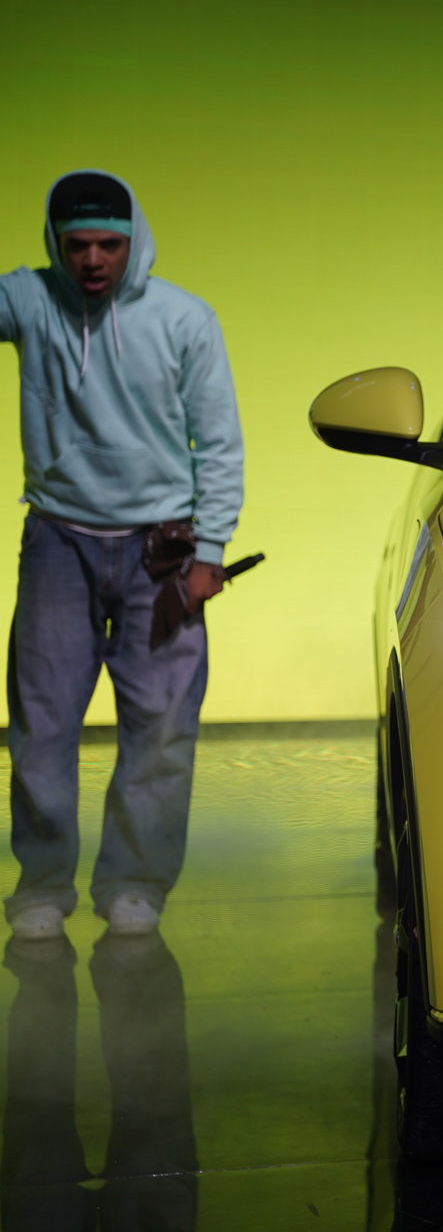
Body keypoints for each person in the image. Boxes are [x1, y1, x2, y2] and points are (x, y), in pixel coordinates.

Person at [0, 171, 244, 940]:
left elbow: (220, 441)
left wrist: (211, 550)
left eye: (109, 243)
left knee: (162, 725)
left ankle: (135, 881)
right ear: (55, 244)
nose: (94, 260)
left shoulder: (184, 318)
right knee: (40, 725)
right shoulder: (30, 300)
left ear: (133, 239)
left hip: (161, 550)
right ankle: (42, 885)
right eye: (77, 245)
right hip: (58, 541)